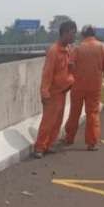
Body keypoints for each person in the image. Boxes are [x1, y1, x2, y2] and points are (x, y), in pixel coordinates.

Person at [33, 20, 77, 158]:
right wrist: (44, 92)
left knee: (57, 122)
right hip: (53, 93)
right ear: (64, 33)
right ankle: (39, 147)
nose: (73, 37)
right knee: (48, 122)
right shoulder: (54, 51)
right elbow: (47, 73)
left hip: (62, 92)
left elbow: (67, 69)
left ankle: (48, 144)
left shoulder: (68, 50)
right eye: (72, 34)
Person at [64, 25, 104, 151]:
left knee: (74, 113)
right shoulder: (103, 47)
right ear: (94, 34)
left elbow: (70, 65)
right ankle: (92, 142)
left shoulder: (77, 48)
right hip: (94, 86)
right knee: (93, 114)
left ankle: (69, 138)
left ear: (83, 35)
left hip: (78, 85)